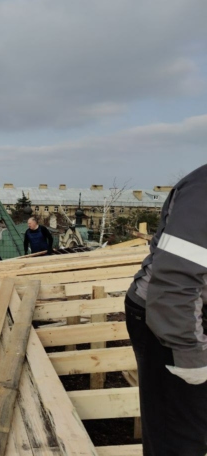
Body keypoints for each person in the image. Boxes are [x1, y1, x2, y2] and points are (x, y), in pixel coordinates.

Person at [125, 163, 207, 455]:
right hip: (171, 319)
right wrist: (190, 356)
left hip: (188, 309)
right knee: (179, 438)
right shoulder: (203, 191)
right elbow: (174, 284)